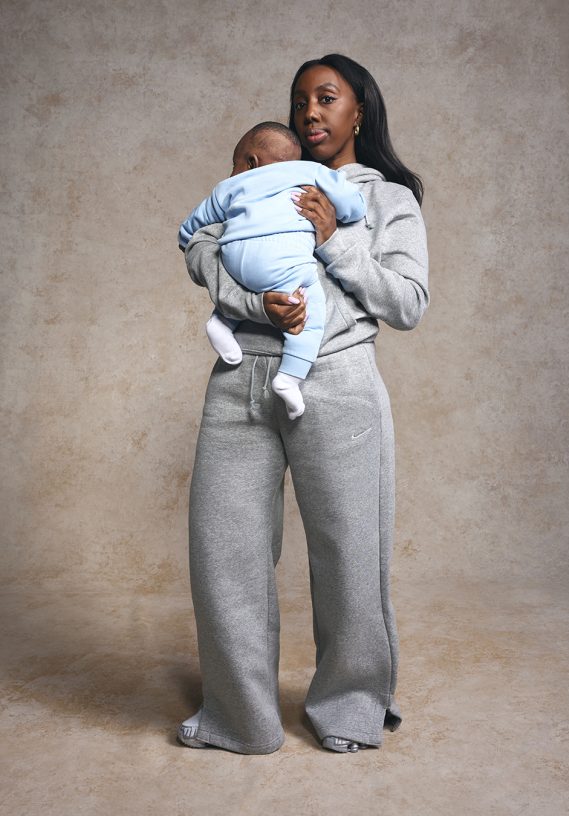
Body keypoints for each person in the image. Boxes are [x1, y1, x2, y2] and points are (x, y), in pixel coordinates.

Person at [177, 53, 429, 754]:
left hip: (338, 382)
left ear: (359, 111)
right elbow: (200, 245)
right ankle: (240, 719)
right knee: (224, 552)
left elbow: (407, 302)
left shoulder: (384, 198)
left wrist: (335, 242)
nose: (310, 112)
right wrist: (255, 302)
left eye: (326, 97)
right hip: (239, 377)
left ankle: (350, 708)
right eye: (299, 101)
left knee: (349, 554)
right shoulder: (260, 174)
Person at [178, 121, 366, 419]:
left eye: (234, 164)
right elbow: (353, 206)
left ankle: (221, 323)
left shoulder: (228, 188)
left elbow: (190, 231)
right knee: (310, 307)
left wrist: (189, 240)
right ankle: (289, 378)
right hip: (285, 259)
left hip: (234, 255)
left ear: (251, 162)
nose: (232, 172)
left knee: (247, 283)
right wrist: (340, 212)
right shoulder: (311, 172)